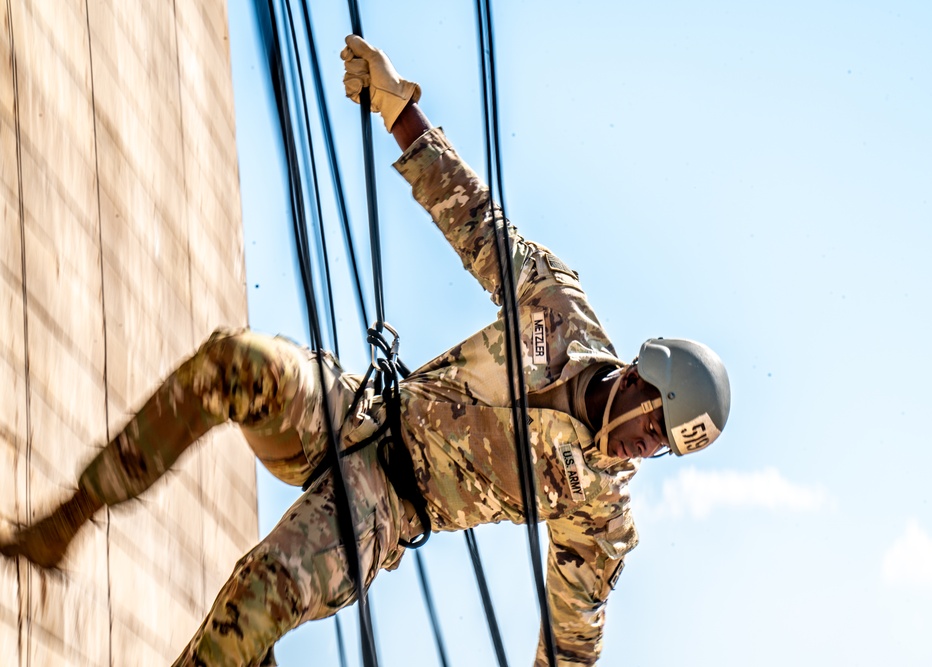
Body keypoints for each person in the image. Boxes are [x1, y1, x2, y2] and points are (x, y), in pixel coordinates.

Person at [0, 36, 731, 666]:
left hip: (387, 505)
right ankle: (65, 521)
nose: (644, 448)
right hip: (361, 414)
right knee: (235, 362)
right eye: (653, 425)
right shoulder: (559, 312)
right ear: (643, 377)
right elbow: (479, 225)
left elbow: (572, 641)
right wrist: (397, 108)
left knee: (264, 592)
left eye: (662, 448)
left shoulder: (600, 508)